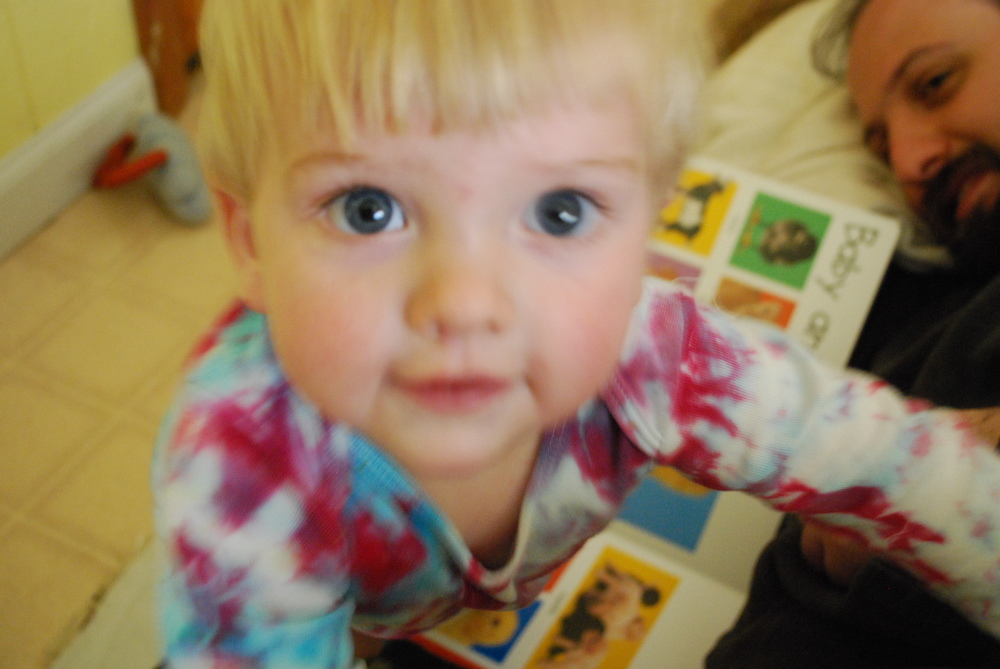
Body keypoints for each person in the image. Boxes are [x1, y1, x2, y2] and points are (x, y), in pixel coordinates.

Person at [153, 1, 1000, 667]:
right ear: (249, 241)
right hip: (356, 608)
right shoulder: (243, 459)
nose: (465, 302)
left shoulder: (655, 351)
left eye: (559, 211)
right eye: (367, 209)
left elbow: (879, 456)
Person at [707, 0, 1000, 666]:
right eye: (880, 144)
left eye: (935, 83)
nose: (910, 161)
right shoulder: (910, 317)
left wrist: (945, 486)